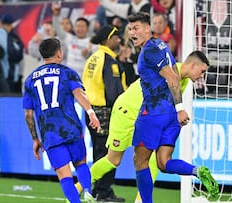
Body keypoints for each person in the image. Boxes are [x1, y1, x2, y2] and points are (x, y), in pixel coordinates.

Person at [74, 50, 210, 202]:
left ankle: (141, 200)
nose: (202, 76)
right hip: (127, 111)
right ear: (192, 65)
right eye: (202, 71)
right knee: (113, 160)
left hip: (145, 116)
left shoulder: (182, 80)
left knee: (151, 160)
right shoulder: (170, 71)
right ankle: (78, 189)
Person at [127, 12, 219, 203]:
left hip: (153, 112)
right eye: (129, 29)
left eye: (136, 28)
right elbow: (175, 72)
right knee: (163, 162)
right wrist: (176, 110)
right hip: (169, 116)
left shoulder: (150, 50)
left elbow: (172, 77)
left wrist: (180, 108)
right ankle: (197, 170)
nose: (131, 33)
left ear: (147, 28)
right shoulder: (162, 45)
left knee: (140, 161)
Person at [22, 38, 100, 203]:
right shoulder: (67, 72)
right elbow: (79, 93)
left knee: (64, 174)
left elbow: (28, 114)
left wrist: (35, 138)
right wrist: (91, 111)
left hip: (50, 134)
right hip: (70, 127)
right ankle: (87, 192)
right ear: (59, 53)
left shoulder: (29, 80)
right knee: (81, 164)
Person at [81, 25, 126, 202]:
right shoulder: (110, 61)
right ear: (107, 40)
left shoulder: (92, 58)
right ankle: (103, 191)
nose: (119, 40)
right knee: (109, 154)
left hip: (91, 110)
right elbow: (115, 92)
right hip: (105, 112)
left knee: (98, 152)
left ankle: (97, 190)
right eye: (115, 37)